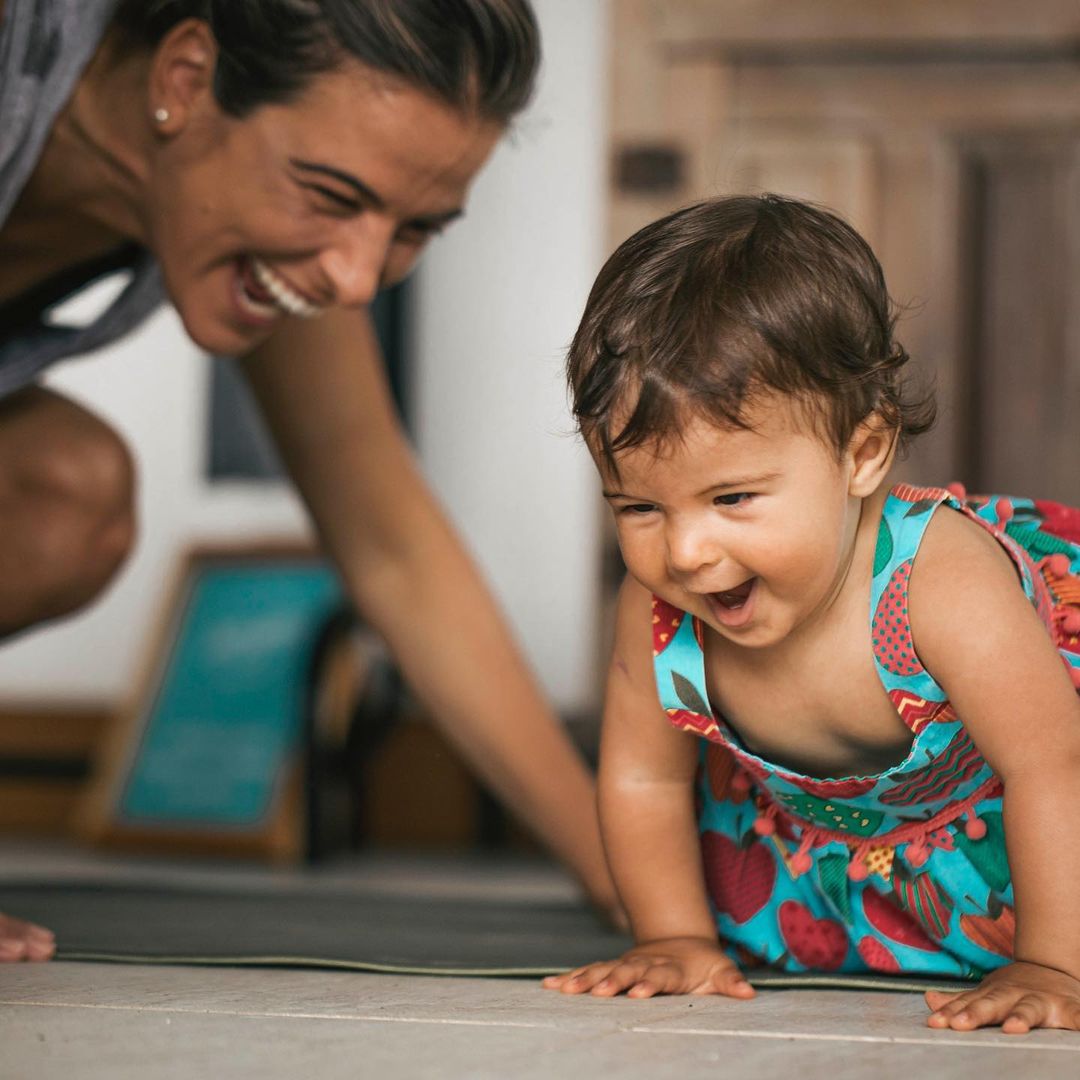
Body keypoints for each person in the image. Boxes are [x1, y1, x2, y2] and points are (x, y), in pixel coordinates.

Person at [0, 0, 620, 962]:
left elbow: (393, 547)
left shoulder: (258, 214)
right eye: (330, 193)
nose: (358, 279)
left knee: (61, 499)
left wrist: (624, 868)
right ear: (184, 79)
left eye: (415, 227)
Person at [542, 193, 1080, 1033]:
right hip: (836, 857)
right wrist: (675, 936)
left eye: (732, 497)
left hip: (1051, 844)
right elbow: (644, 777)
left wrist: (1054, 962)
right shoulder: (658, 610)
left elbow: (1053, 765)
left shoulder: (936, 581)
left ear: (863, 453)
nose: (684, 553)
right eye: (639, 508)